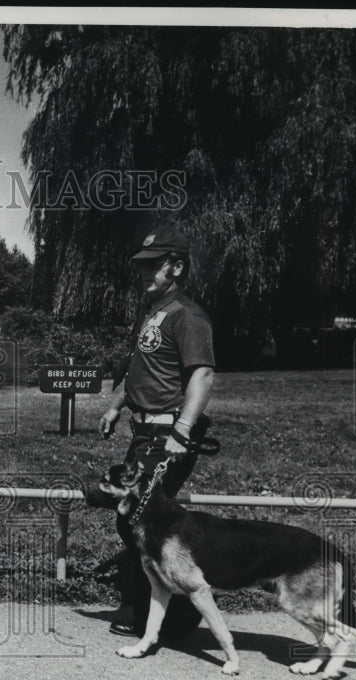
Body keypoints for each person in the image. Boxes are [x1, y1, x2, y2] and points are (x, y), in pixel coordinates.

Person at [96, 225, 216, 639]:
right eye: (142, 266)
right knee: (137, 518)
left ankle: (169, 611)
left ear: (177, 267)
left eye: (154, 265)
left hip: (167, 433)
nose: (145, 272)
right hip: (143, 432)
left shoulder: (188, 316)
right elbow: (138, 371)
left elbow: (202, 374)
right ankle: (167, 608)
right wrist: (115, 407)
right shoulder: (154, 310)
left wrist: (181, 432)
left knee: (140, 518)